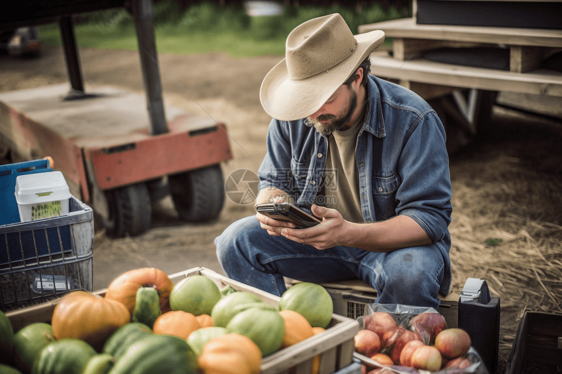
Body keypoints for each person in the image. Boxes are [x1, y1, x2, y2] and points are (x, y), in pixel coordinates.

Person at [215, 13, 452, 308]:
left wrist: (348, 233)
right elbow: (273, 181)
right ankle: (283, 332)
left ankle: (382, 350)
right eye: (305, 100)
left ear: (357, 78)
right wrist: (271, 203)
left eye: (324, 98)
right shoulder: (295, 115)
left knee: (409, 274)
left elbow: (429, 220)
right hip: (318, 245)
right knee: (234, 241)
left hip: (394, 249)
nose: (312, 113)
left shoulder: (414, 120)